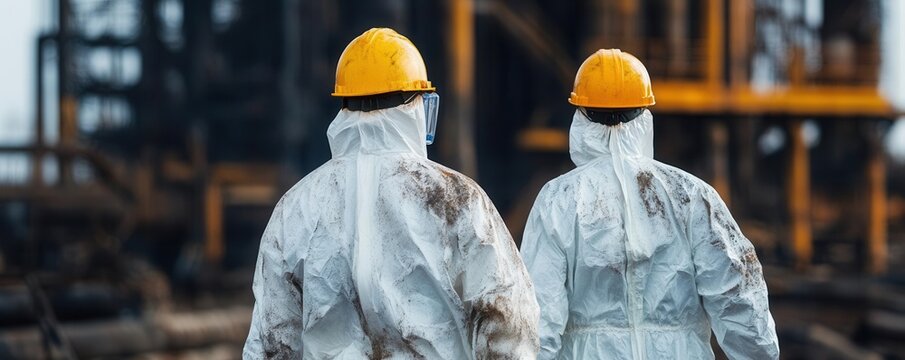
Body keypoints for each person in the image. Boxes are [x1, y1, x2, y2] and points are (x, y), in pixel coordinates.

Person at [243, 28, 539, 359]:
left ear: (344, 106)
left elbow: (272, 340)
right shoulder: (458, 199)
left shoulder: (295, 208)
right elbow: (508, 323)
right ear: (417, 105)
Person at [520, 49, 780, 359]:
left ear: (581, 117)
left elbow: (536, 322)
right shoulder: (691, 195)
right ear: (645, 116)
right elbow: (740, 299)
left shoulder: (558, 200)